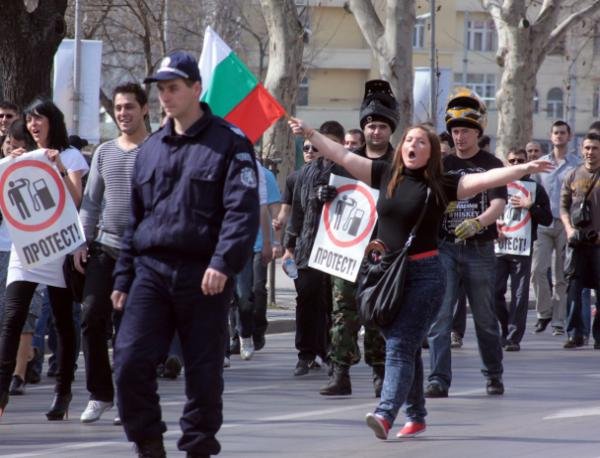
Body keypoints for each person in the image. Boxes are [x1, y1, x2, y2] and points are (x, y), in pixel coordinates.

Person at [287, 116, 552, 440]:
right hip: (387, 273)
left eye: (421, 142)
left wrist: (524, 169)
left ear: (431, 153)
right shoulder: (384, 174)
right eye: (410, 140)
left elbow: (487, 179)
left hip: (425, 275)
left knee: (399, 345)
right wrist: (310, 132)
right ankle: (416, 414)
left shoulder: (442, 183)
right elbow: (342, 156)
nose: (413, 145)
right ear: (402, 148)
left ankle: (386, 413)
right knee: (407, 346)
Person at [111, 51, 259, 457]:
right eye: (160, 89)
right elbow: (134, 221)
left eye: (173, 87)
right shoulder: (151, 149)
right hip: (152, 272)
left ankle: (197, 447)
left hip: (204, 275)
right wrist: (123, 278)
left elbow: (241, 213)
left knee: (204, 373)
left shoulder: (230, 142)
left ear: (196, 89)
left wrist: (223, 263)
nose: (165, 96)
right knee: (128, 361)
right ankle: (148, 443)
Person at [0, 99, 89, 419]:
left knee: (64, 323)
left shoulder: (70, 156)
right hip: (25, 250)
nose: (34, 125)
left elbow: (77, 200)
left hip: (59, 249)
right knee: (11, 319)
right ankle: (1, 393)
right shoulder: (20, 157)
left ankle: (63, 390)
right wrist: (10, 163)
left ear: (53, 121)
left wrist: (59, 169)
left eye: (39, 119)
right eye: (30, 120)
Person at [74, 82, 149, 424]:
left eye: (129, 107)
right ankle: (99, 394)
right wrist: (81, 241)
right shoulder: (104, 152)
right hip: (105, 248)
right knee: (91, 317)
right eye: (118, 108)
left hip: (144, 256)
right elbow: (90, 203)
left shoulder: (158, 150)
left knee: (132, 328)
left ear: (144, 109)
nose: (123, 113)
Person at [426, 88, 507, 399]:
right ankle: (438, 379)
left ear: (477, 132)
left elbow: (499, 204)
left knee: (485, 318)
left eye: (465, 131)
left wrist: (478, 222)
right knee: (441, 317)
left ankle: (494, 374)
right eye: (455, 131)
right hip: (444, 247)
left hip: (480, 249)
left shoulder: (492, 162)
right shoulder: (441, 164)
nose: (459, 137)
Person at [319, 80, 393, 397]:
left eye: (381, 126)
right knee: (342, 312)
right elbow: (324, 197)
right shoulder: (347, 163)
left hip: (384, 250)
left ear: (390, 129)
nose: (375, 132)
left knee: (377, 312)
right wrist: (325, 193)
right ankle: (340, 373)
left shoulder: (401, 166)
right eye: (370, 126)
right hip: (346, 251)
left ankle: (380, 373)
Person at [282, 120, 345, 376]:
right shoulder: (302, 174)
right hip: (308, 248)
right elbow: (296, 214)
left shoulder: (350, 170)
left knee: (333, 303)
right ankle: (305, 354)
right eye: (320, 140)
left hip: (338, 250)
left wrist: (337, 195)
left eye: (329, 142)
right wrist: (289, 246)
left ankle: (331, 352)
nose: (322, 147)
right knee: (306, 300)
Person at [0, 120, 44, 396]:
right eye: (9, 145)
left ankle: (18, 373)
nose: (14, 150)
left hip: (26, 249)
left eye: (19, 146)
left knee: (25, 312)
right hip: (1, 249)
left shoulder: (35, 170)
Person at [494, 148, 552, 351]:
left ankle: (513, 337)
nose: (517, 163)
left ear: (527, 162)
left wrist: (531, 205)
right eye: (513, 160)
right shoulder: (497, 184)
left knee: (519, 295)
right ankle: (504, 328)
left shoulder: (535, 188)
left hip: (523, 248)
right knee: (494, 292)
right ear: (506, 163)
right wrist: (493, 227)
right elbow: (485, 210)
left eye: (520, 160)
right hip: (498, 248)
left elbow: (547, 218)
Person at [531, 121, 579, 336]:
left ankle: (559, 320)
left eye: (563, 133)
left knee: (562, 275)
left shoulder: (576, 165)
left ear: (569, 136)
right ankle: (544, 313)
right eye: (556, 133)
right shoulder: (541, 164)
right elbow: (530, 192)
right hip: (543, 223)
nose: (559, 136)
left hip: (565, 223)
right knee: (537, 271)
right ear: (550, 137)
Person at [560, 132, 600, 349]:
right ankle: (575, 334)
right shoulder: (572, 175)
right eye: (587, 148)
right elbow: (563, 206)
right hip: (577, 243)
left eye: (594, 148)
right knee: (574, 290)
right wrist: (568, 229)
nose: (590, 152)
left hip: (598, 244)